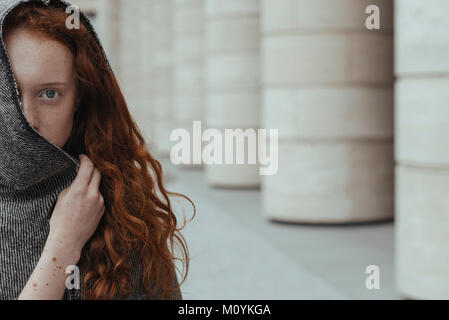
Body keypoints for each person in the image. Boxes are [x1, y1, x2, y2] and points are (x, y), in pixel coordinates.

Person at [0, 0, 194, 300]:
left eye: (49, 94)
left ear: (77, 99)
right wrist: (64, 246)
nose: (28, 120)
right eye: (10, 95)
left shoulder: (121, 207)